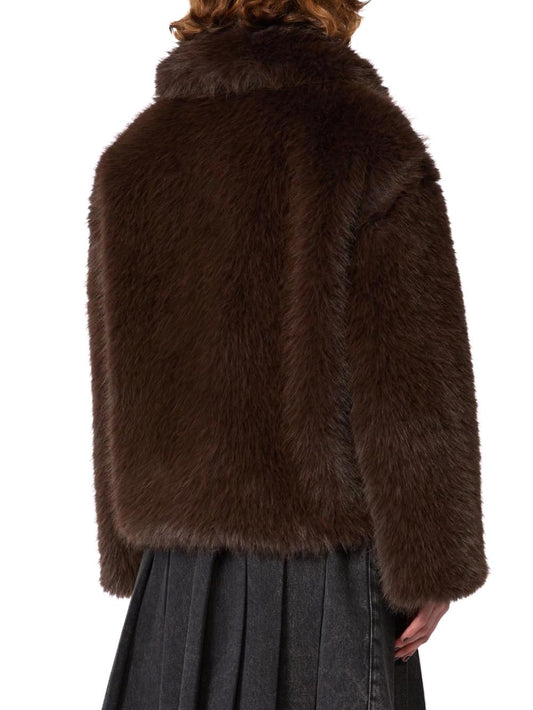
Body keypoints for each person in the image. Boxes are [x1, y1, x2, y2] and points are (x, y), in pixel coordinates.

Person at [86, 1, 489, 708]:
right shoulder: (361, 139)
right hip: (325, 569)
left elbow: (114, 372)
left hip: (173, 580)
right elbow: (411, 375)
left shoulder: (132, 158)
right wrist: (433, 560)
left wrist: (128, 552)